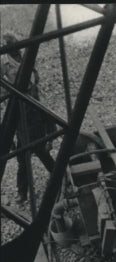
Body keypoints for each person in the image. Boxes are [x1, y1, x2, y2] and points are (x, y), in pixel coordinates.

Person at [2, 33, 56, 205]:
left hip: (31, 101)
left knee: (39, 150)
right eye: (13, 45)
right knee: (25, 156)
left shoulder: (23, 57)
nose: (17, 48)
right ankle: (23, 192)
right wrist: (10, 94)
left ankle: (58, 176)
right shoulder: (4, 62)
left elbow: (34, 73)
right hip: (19, 104)